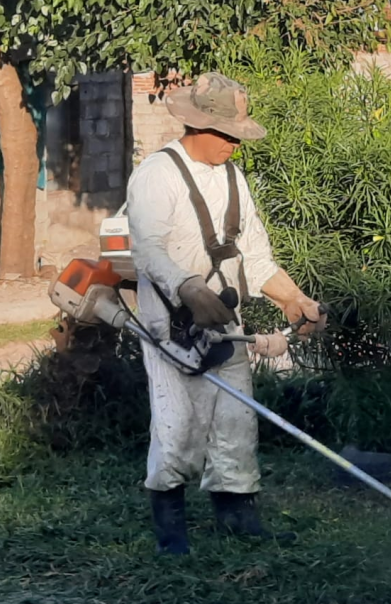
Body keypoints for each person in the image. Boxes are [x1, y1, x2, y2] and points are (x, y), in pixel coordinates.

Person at [126, 72, 327, 555]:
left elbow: (254, 256)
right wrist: (189, 286)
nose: (234, 145)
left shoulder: (233, 177)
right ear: (196, 125)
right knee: (178, 425)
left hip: (226, 320)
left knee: (237, 421)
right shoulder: (156, 174)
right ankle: (171, 533)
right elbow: (146, 250)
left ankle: (237, 516)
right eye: (226, 134)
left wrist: (293, 298)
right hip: (172, 323)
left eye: (238, 135)